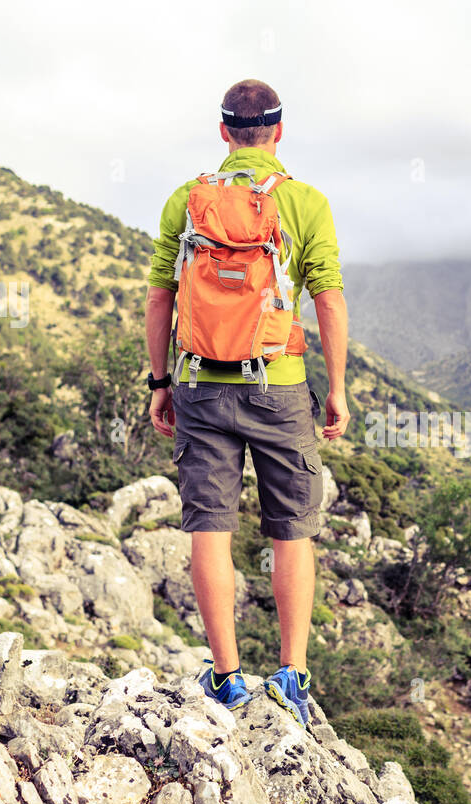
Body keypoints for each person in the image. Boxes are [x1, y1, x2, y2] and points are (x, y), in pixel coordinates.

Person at [143, 78, 350, 727]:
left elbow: (159, 296)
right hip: (280, 383)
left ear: (225, 131)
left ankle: (227, 678)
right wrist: (337, 389)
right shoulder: (306, 203)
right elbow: (329, 298)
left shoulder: (188, 199)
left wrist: (159, 382)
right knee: (293, 526)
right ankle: (291, 675)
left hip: (200, 382)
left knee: (212, 525)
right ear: (279, 133)